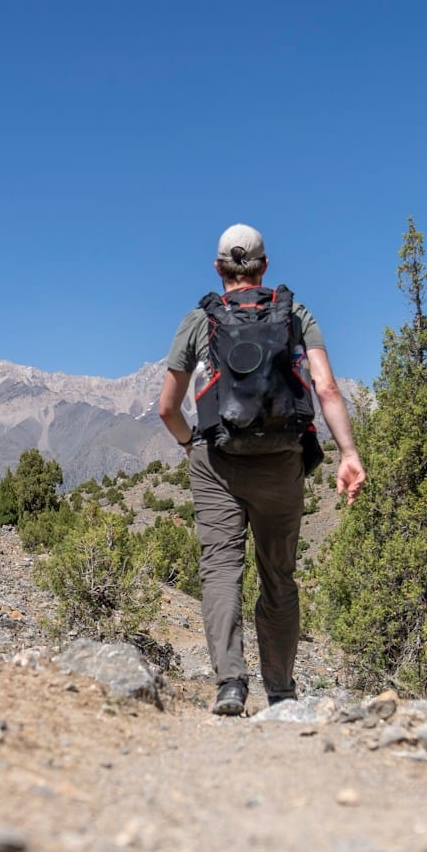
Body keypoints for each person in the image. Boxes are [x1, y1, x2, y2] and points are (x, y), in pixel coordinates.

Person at [157, 224, 366, 716]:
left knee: (221, 571)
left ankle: (231, 684)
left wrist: (190, 445)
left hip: (217, 462)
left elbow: (167, 407)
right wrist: (348, 453)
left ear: (218, 268)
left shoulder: (198, 320)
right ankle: (280, 691)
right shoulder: (294, 313)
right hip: (282, 462)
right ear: (265, 266)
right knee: (279, 577)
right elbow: (327, 389)